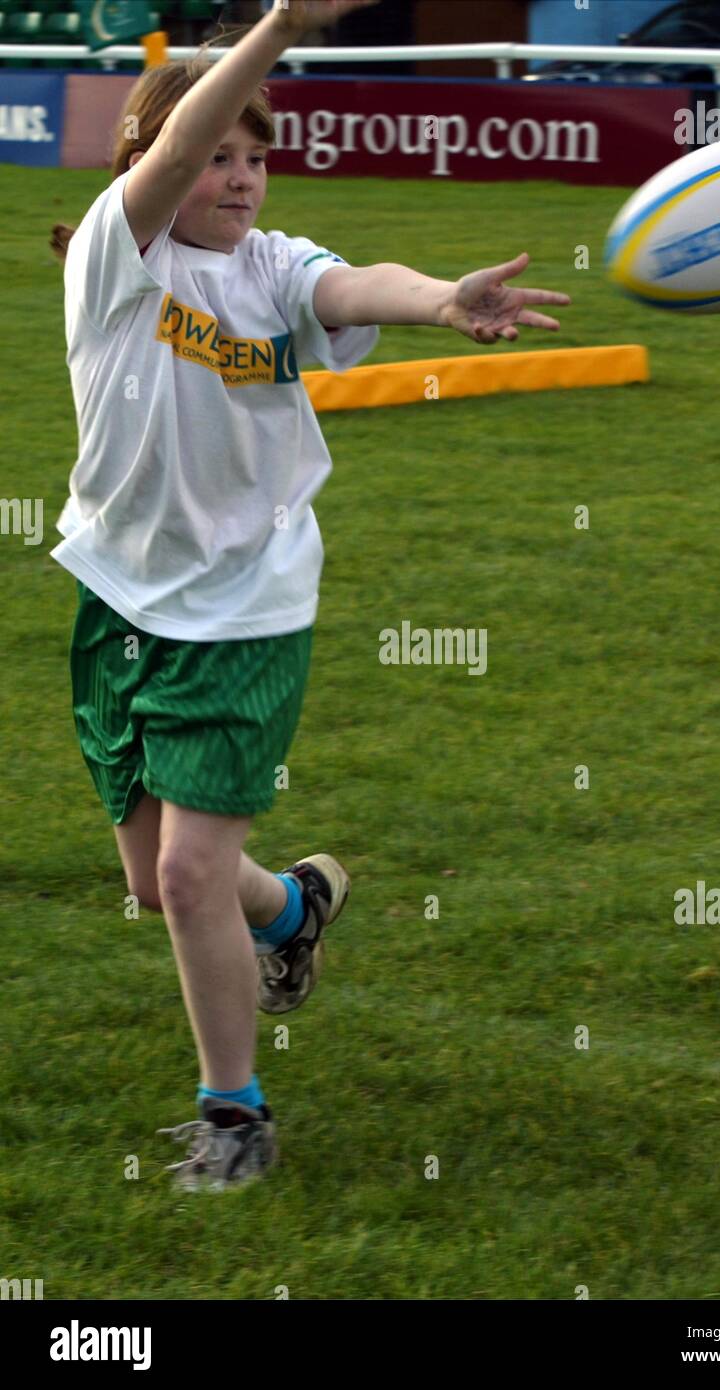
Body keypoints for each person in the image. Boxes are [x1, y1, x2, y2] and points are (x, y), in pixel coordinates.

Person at [48, 0, 571, 1193]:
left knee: (184, 878)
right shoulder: (112, 263)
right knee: (151, 880)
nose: (238, 178)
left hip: (247, 612)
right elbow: (171, 150)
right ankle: (289, 912)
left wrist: (441, 300)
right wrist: (280, 22)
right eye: (218, 155)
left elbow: (356, 285)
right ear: (154, 161)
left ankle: (234, 1116)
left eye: (255, 156)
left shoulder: (277, 268)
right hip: (121, 602)